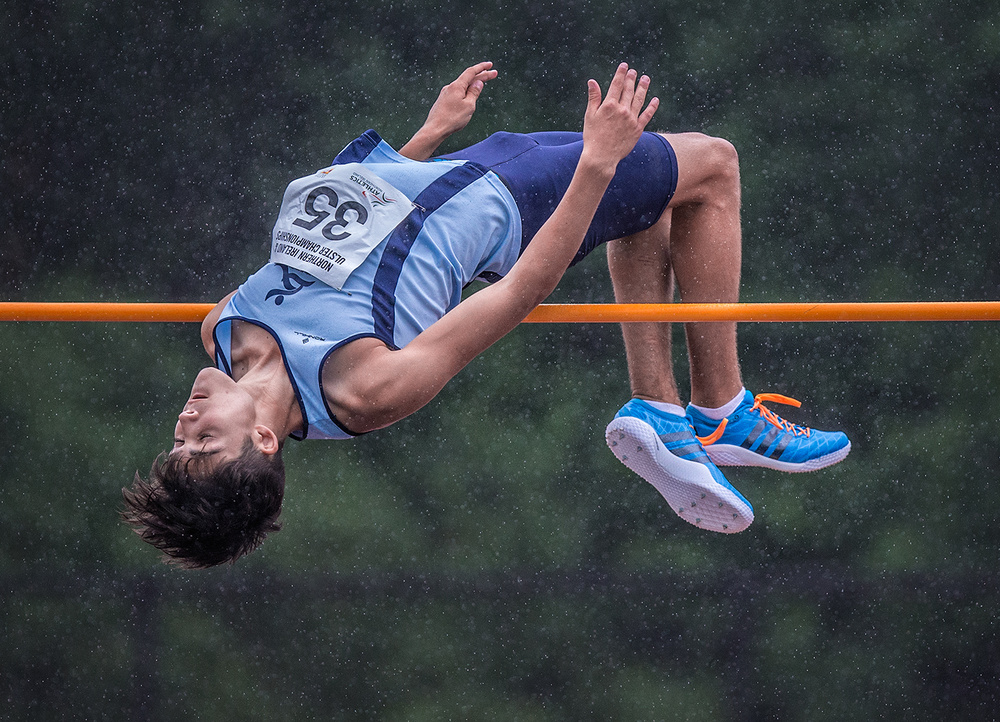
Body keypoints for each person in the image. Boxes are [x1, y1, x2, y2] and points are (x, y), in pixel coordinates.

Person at [122, 62, 850, 568]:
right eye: (204, 442)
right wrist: (596, 166)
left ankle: (661, 409)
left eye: (179, 439)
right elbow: (514, 297)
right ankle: (721, 406)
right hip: (510, 202)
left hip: (466, 169)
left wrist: (426, 137)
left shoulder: (222, 329)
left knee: (651, 204)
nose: (186, 421)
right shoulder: (361, 390)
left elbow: (354, 241)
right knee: (714, 164)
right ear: (261, 440)